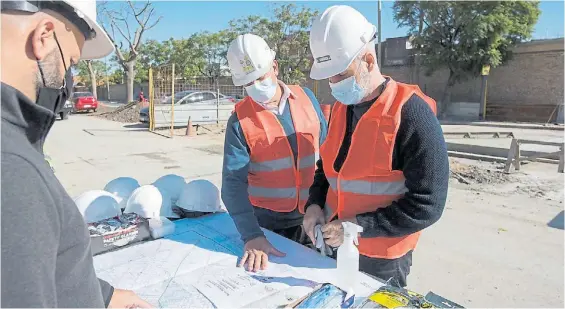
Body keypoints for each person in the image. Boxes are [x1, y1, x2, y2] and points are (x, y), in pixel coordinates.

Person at [1, 1, 151, 307]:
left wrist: (102, 296)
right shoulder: (10, 166)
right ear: (43, 36)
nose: (68, 81)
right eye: (69, 62)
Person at [304, 5, 449, 288]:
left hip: (383, 261)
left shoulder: (411, 114)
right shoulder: (340, 110)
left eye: (340, 74)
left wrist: (358, 227)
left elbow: (428, 204)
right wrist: (314, 204)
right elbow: (327, 169)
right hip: (336, 245)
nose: (333, 84)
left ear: (369, 61)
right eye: (329, 76)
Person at [222, 34, 328, 272]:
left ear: (275, 67)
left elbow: (329, 153)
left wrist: (327, 204)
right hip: (267, 225)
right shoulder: (239, 120)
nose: (257, 87)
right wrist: (252, 235)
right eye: (249, 83)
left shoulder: (306, 98)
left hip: (313, 215)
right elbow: (232, 184)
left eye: (261, 77)